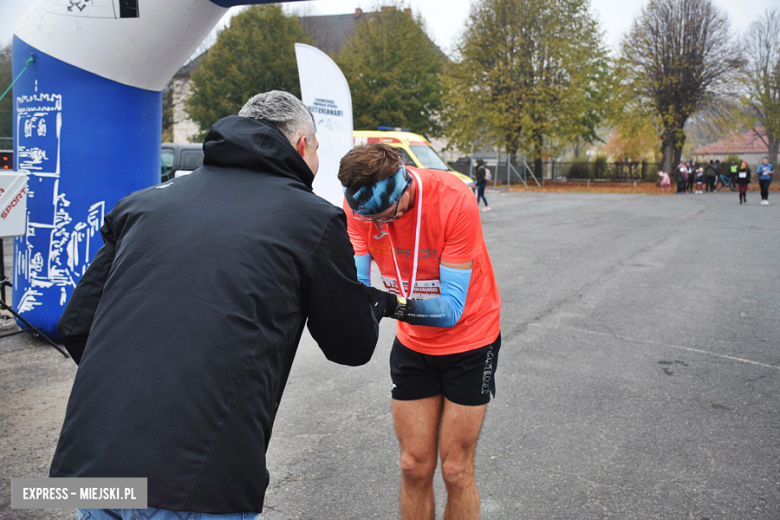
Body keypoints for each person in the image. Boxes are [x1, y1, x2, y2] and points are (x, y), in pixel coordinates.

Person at [49, 91, 390, 519]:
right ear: (302, 145)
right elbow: (351, 346)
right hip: (200, 482)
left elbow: (76, 325)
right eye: (318, 149)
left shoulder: (142, 204)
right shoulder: (312, 219)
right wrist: (372, 304)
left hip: (96, 467)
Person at [337, 143, 501, 520]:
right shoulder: (360, 208)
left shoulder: (454, 199)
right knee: (413, 465)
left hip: (471, 340)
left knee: (456, 470)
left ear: (405, 187)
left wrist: (391, 305)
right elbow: (359, 288)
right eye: (369, 219)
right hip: (414, 345)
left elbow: (452, 310)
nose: (377, 226)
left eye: (384, 216)